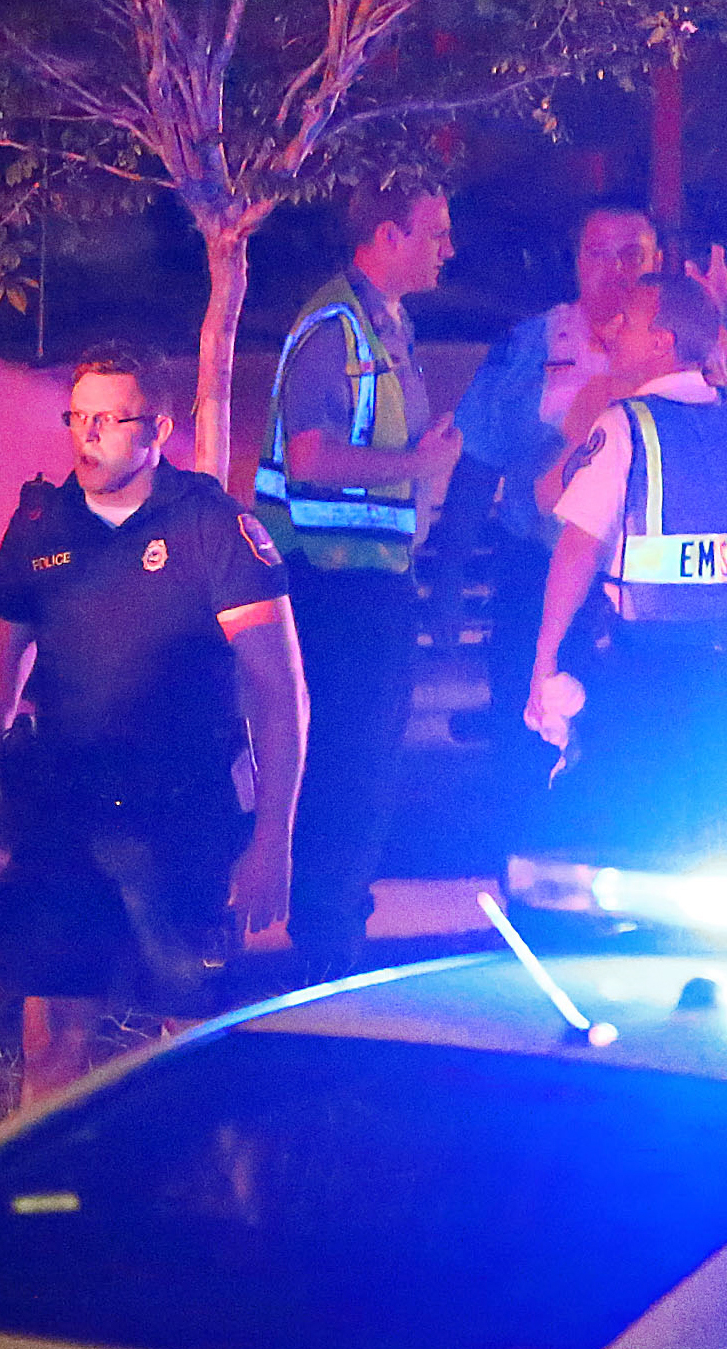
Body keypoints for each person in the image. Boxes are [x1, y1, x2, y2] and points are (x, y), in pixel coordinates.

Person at [0, 345, 307, 1103]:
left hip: (181, 824)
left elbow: (278, 690)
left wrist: (273, 837)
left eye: (108, 418)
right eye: (77, 417)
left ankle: (211, 1209)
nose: (86, 435)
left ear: (158, 427)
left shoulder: (211, 529)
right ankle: (51, 1211)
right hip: (66, 822)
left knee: (191, 1040)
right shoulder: (40, 526)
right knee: (52, 1035)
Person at [252, 182, 460, 985]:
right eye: (433, 231)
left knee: (362, 769)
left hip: (367, 582)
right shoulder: (334, 327)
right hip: (330, 588)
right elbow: (308, 457)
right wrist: (417, 465)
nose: (448, 248)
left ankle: (333, 935)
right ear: (385, 234)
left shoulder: (384, 321)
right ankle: (325, 950)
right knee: (348, 767)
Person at [526, 257, 727, 863]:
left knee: (643, 827)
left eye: (627, 320)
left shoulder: (625, 427)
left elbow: (577, 547)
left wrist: (544, 659)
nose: (611, 329)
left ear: (662, 342)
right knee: (722, 829)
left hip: (647, 669)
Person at [443, 205, 660, 759]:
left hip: (639, 586)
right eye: (597, 254)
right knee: (525, 740)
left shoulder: (677, 351)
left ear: (657, 261)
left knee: (625, 752)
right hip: (537, 572)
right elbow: (477, 464)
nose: (615, 270)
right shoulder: (531, 346)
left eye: (631, 255)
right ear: (577, 262)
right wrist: (449, 578)